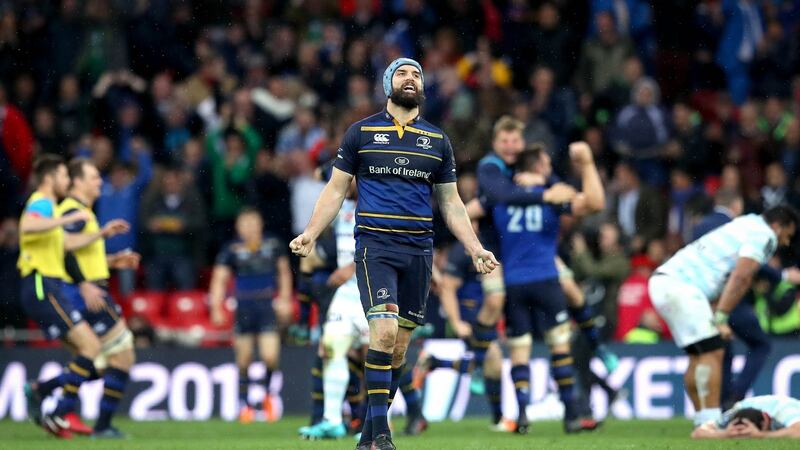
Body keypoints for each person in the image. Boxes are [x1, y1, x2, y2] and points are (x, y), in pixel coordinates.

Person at [290, 57, 499, 450]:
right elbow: (335, 190)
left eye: (416, 74)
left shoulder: (437, 141)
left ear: (422, 87)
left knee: (400, 348)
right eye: (401, 73)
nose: (410, 78)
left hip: (419, 251)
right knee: (382, 332)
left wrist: (475, 248)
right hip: (376, 246)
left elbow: (451, 204)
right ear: (388, 85)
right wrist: (310, 234)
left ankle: (367, 436)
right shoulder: (361, 133)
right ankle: (382, 435)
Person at [484, 143, 605, 434]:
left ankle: (523, 415)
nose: (550, 167)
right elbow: (595, 203)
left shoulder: (501, 198)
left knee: (519, 350)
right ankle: (571, 415)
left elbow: (475, 208)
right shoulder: (552, 196)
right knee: (559, 347)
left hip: (514, 283)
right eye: (547, 163)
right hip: (546, 280)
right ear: (538, 166)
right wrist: (587, 165)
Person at [649, 206, 799, 427]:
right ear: (777, 226)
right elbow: (741, 276)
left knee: (698, 355)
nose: (785, 242)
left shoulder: (746, 223)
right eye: (787, 235)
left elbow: (720, 275)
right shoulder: (764, 234)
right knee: (713, 351)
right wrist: (721, 318)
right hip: (682, 287)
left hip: (663, 281)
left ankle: (702, 420)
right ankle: (712, 423)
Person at [26, 158, 140, 439]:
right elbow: (63, 250)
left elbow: (80, 254)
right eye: (94, 177)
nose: (99, 182)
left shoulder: (81, 212)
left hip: (85, 290)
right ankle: (82, 417)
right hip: (84, 294)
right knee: (121, 354)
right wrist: (85, 284)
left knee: (97, 363)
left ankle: (48, 394)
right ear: (76, 182)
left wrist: (112, 260)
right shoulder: (71, 212)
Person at [17, 155, 101, 438]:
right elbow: (28, 225)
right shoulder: (41, 202)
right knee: (90, 348)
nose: (67, 181)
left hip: (47, 286)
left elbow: (65, 243)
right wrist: (69, 217)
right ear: (49, 178)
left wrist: (100, 233)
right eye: (64, 176)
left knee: (86, 357)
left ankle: (47, 397)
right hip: (42, 283)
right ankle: (55, 406)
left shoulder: (49, 208)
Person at [299, 179, 369, 440]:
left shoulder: (375, 203)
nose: (338, 180)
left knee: (373, 358)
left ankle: (376, 423)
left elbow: (387, 243)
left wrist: (352, 267)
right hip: (346, 295)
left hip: (370, 290)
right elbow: (323, 173)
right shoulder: (341, 205)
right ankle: (331, 420)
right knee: (330, 350)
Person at [209, 208, 293, 423]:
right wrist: (216, 307)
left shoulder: (273, 245)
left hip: (266, 305)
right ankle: (245, 405)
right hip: (244, 306)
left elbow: (284, 272)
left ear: (260, 224)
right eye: (244, 224)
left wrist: (284, 299)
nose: (249, 227)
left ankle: (266, 396)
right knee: (244, 360)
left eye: (252, 223)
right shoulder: (231, 249)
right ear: (238, 227)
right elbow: (219, 278)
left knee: (270, 357)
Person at [692, 395, 800, 439]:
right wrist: (725, 434)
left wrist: (760, 435)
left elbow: (798, 431)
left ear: (764, 423)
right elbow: (697, 433)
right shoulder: (735, 411)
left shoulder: (782, 410)